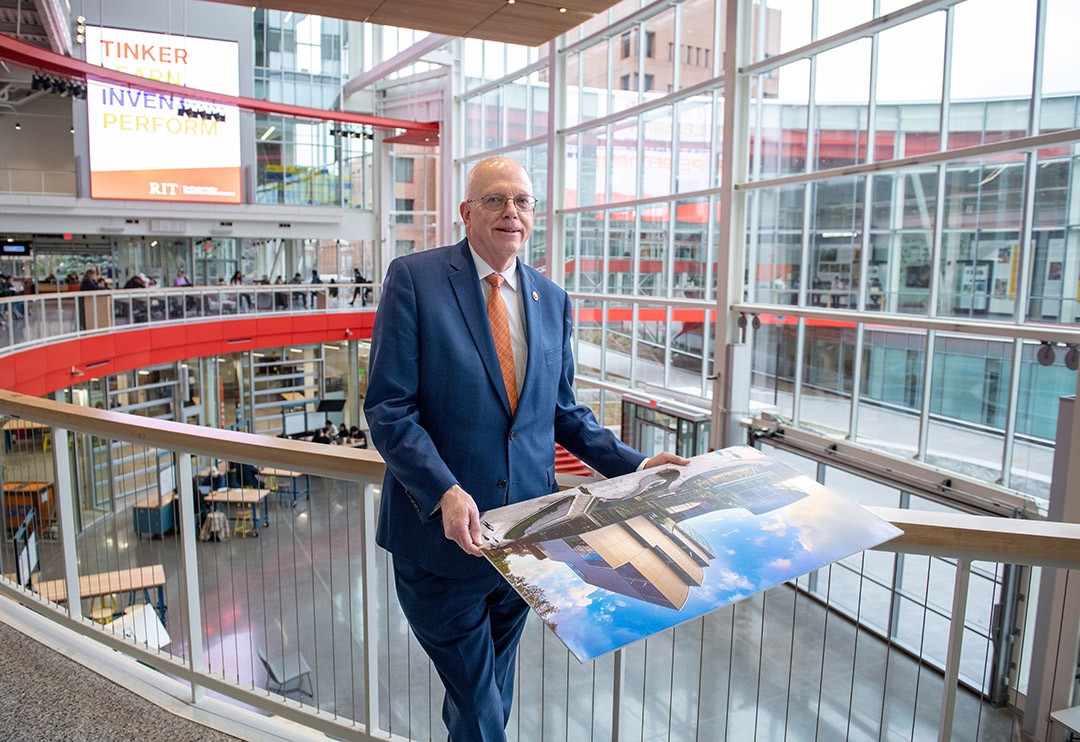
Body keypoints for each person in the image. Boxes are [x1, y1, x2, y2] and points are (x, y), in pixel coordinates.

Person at [364, 156, 688, 742]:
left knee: (486, 696)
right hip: (440, 543)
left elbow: (561, 412)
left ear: (534, 215)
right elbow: (389, 409)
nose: (510, 211)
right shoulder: (414, 280)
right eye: (494, 200)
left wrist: (637, 464)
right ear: (466, 213)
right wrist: (443, 490)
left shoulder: (552, 300)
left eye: (522, 201)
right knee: (481, 701)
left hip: (520, 544)